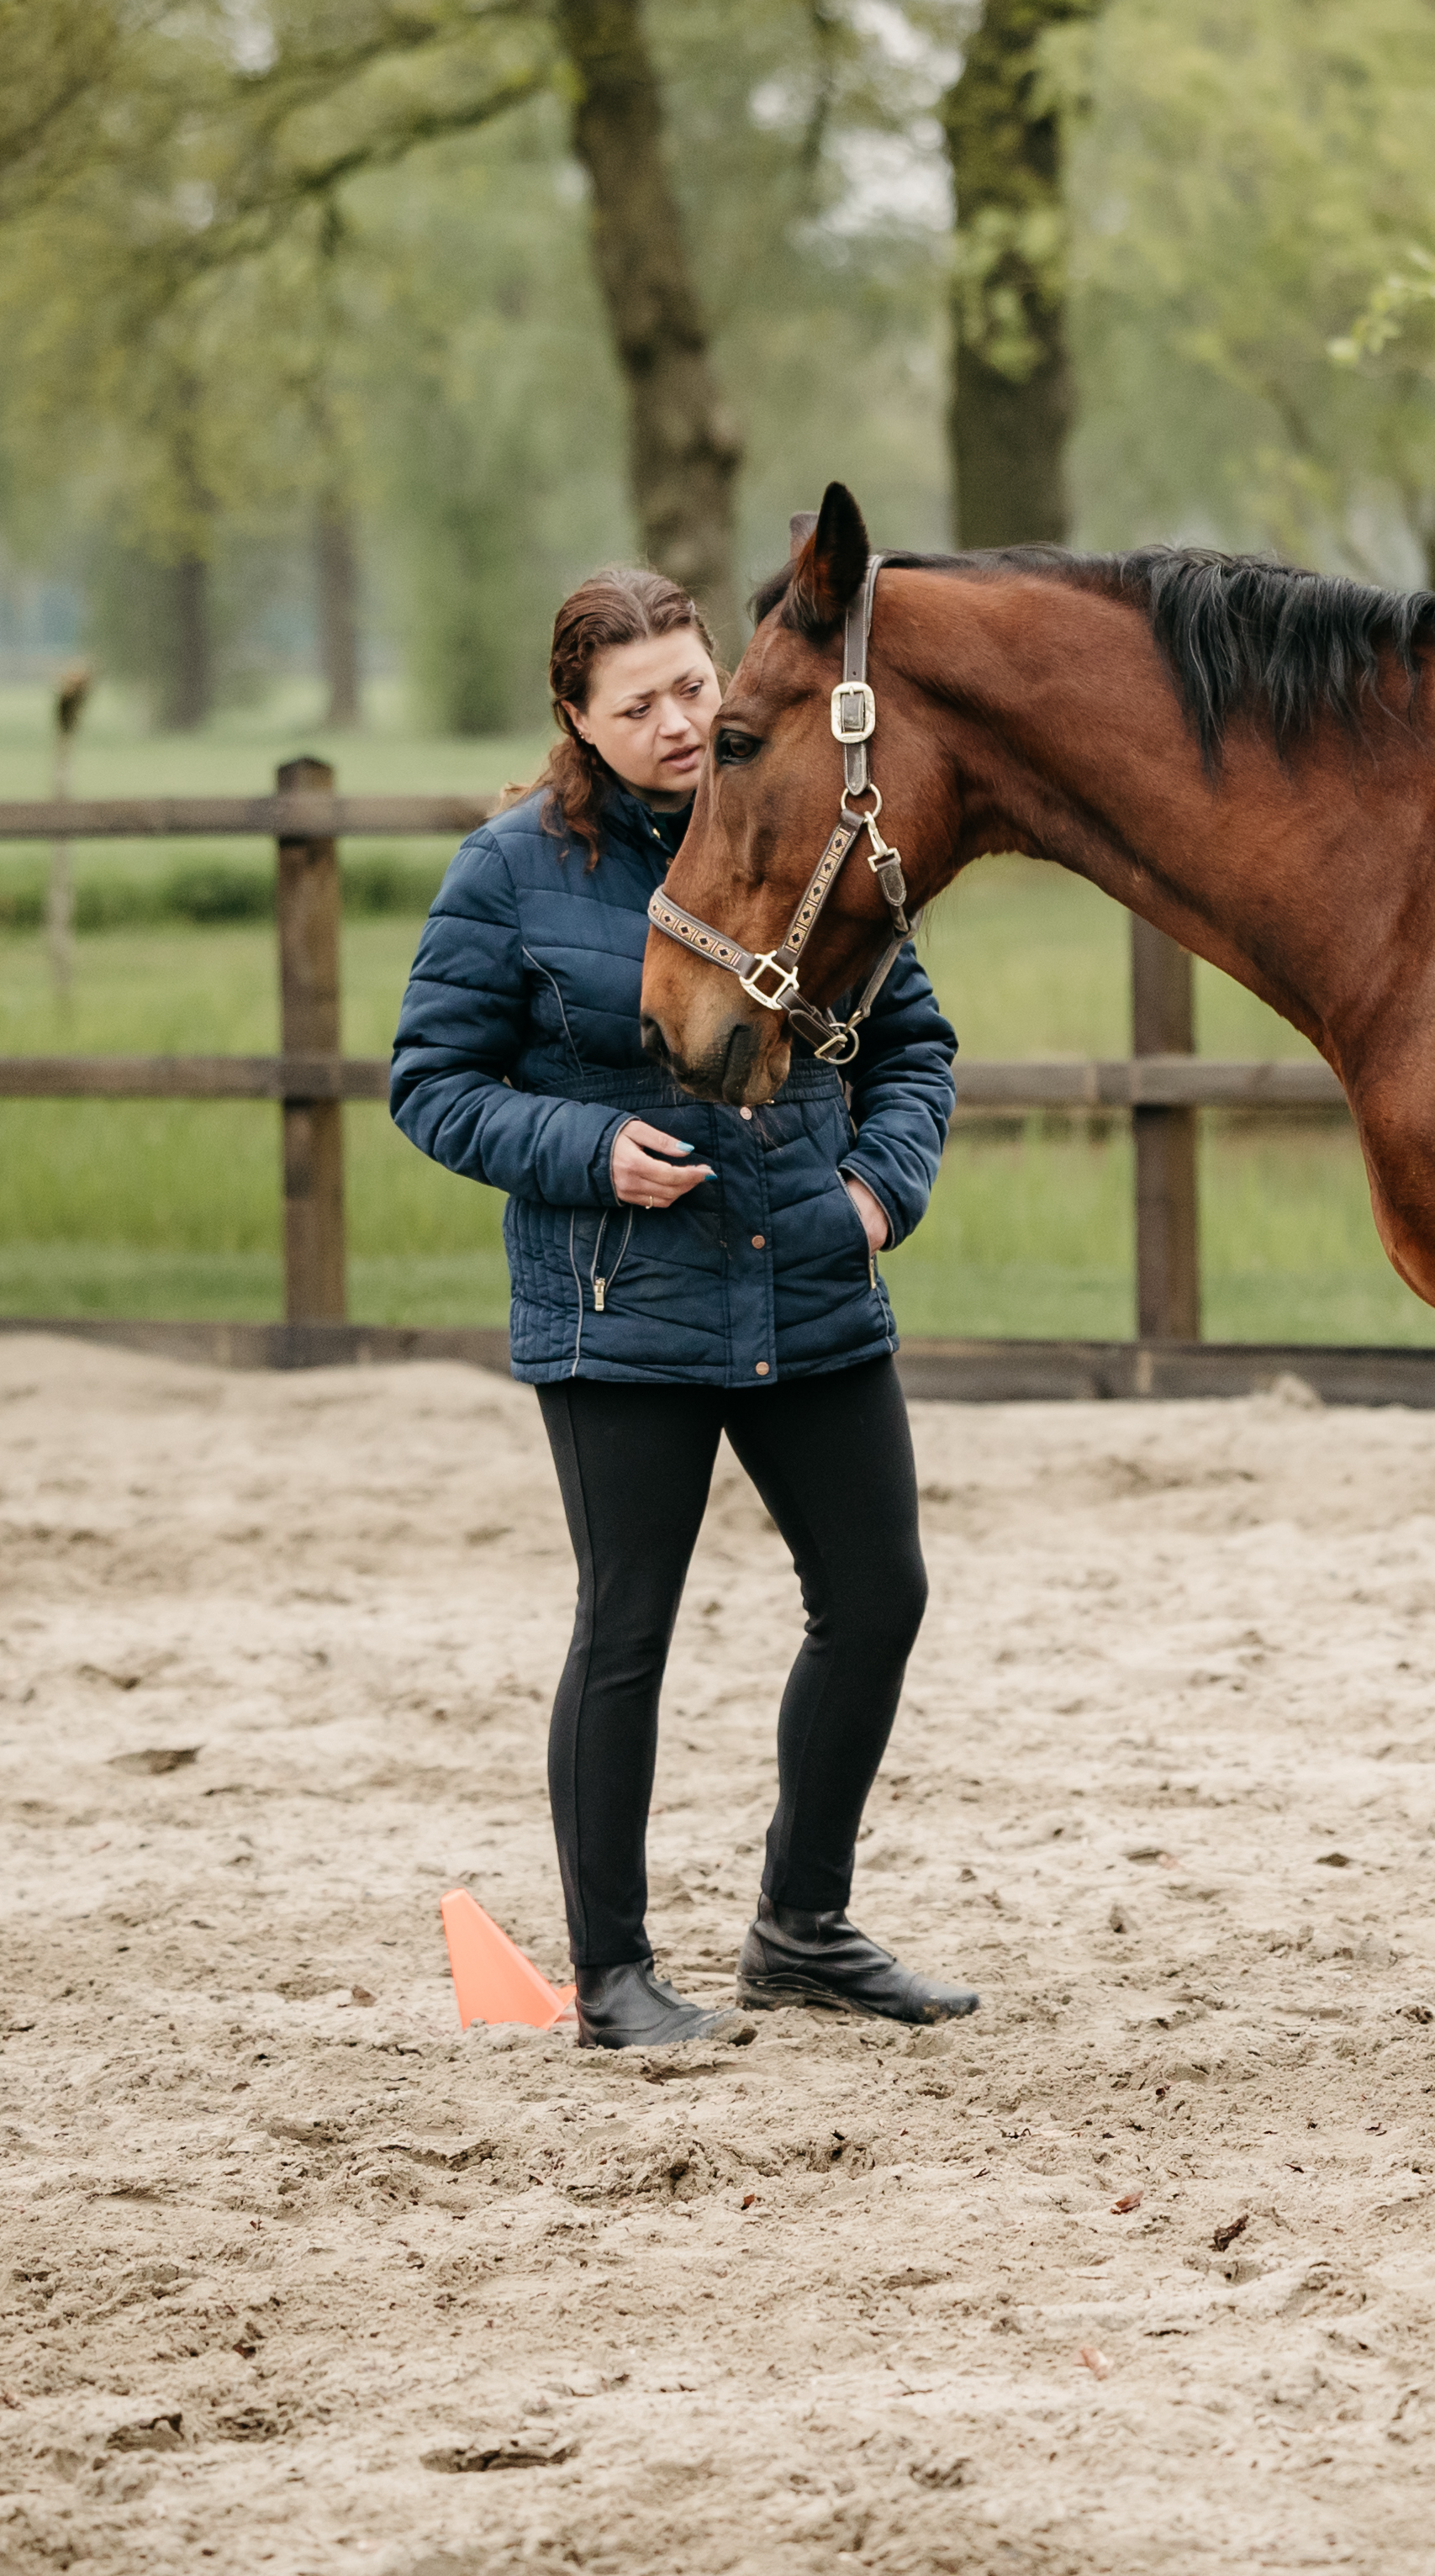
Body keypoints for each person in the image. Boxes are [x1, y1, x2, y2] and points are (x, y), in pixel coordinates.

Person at [391, 560, 973, 2047]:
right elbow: (433, 1087)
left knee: (880, 1599)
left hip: (809, 1281)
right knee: (627, 1629)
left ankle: (803, 1927)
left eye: (693, 688)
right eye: (636, 702)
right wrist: (584, 1150)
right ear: (577, 721)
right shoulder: (510, 872)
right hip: (616, 1309)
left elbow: (911, 1042)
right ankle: (614, 1978)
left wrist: (875, 1194)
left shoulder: (798, 823)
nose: (673, 721)